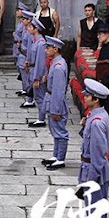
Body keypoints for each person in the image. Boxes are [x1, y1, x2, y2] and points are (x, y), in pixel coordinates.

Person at [77, 78, 109, 218]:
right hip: (89, 166)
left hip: (94, 170)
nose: (84, 97)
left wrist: (90, 181)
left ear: (96, 99)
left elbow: (98, 156)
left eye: (87, 96)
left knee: (96, 207)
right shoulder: (95, 116)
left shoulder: (97, 121)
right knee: (91, 206)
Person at [42, 37, 69, 170]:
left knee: (60, 131)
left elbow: (58, 90)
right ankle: (56, 155)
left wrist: (56, 110)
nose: (46, 50)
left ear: (56, 49)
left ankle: (60, 158)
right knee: (55, 130)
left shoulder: (58, 67)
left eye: (48, 48)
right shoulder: (56, 62)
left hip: (55, 101)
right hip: (51, 98)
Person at [26, 18, 47, 128]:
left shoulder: (41, 43)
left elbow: (40, 62)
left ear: (36, 29)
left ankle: (41, 119)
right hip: (32, 69)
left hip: (37, 72)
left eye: (30, 27)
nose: (28, 28)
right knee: (37, 96)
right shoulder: (35, 41)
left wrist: (37, 78)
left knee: (40, 97)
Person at [16, 8, 33, 97]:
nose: (22, 21)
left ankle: (28, 90)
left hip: (26, 54)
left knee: (27, 74)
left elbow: (29, 46)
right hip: (22, 53)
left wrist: (28, 57)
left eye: (24, 19)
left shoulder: (29, 32)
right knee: (22, 73)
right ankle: (24, 88)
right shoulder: (25, 29)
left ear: (29, 20)